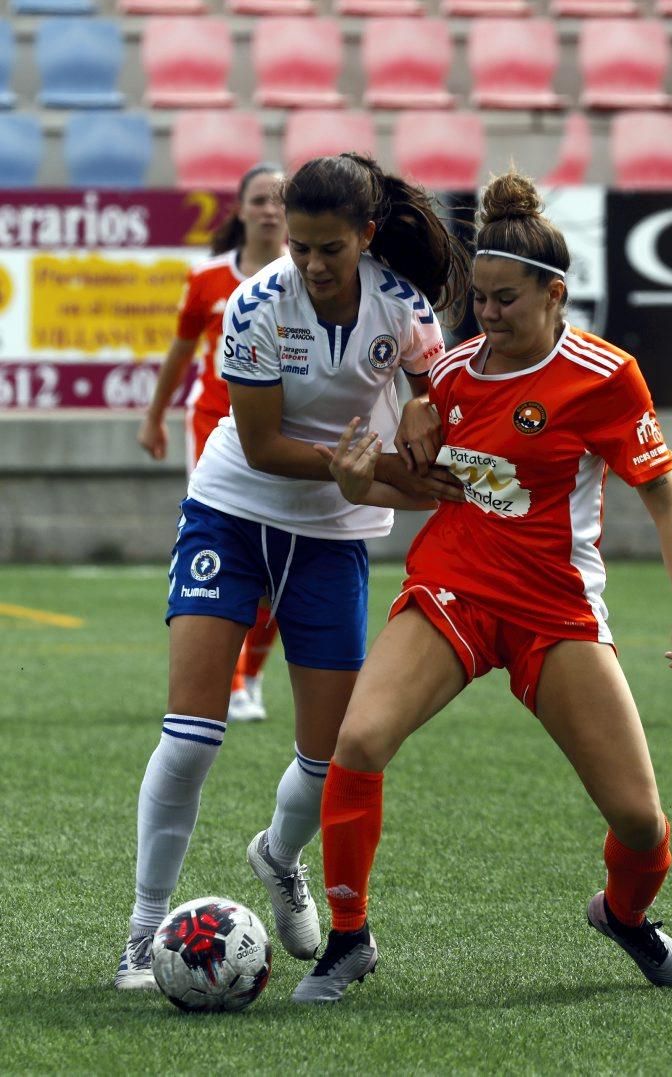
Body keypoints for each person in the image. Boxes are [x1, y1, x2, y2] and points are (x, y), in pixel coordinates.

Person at [292, 170, 672, 1004]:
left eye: (505, 300)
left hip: (555, 609)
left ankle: (624, 915)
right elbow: (424, 489)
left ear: (555, 294)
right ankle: (347, 939)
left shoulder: (605, 376)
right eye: (477, 299)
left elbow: (663, 495)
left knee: (639, 822)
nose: (486, 315)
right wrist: (354, 479)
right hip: (455, 586)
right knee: (361, 739)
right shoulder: (446, 376)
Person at [114, 153, 471, 990]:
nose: (310, 264)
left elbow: (437, 404)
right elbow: (268, 445)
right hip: (233, 511)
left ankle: (279, 855)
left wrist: (424, 415)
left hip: (334, 535)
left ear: (366, 237)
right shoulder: (255, 305)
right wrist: (376, 466)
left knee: (330, 754)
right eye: (301, 247)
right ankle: (137, 936)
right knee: (192, 735)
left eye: (329, 249)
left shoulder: (406, 307)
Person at [137, 163, 287, 722]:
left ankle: (249, 676)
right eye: (259, 199)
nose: (269, 209)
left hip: (283, 434)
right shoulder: (207, 279)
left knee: (279, 566)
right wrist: (153, 418)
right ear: (241, 209)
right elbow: (180, 354)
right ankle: (229, 681)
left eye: (278, 200)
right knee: (227, 552)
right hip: (214, 432)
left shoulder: (313, 278)